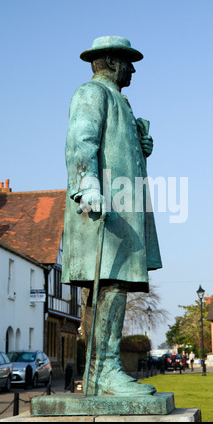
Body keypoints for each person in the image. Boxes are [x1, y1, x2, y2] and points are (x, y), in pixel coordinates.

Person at [61, 36, 162, 396]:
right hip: (101, 209)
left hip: (121, 209)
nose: (133, 69)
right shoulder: (92, 93)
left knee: (109, 288)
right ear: (112, 62)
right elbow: (80, 140)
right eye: (128, 62)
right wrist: (87, 186)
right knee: (109, 285)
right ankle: (103, 372)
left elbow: (114, 149)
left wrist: (141, 147)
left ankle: (98, 374)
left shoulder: (121, 101)